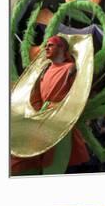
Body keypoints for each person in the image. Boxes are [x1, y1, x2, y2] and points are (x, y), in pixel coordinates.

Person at [10, 36, 90, 175]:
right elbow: (35, 96)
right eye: (46, 45)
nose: (46, 48)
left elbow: (77, 96)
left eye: (51, 45)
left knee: (54, 163)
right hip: (40, 119)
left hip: (60, 121)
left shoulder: (70, 68)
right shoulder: (43, 70)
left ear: (62, 48)